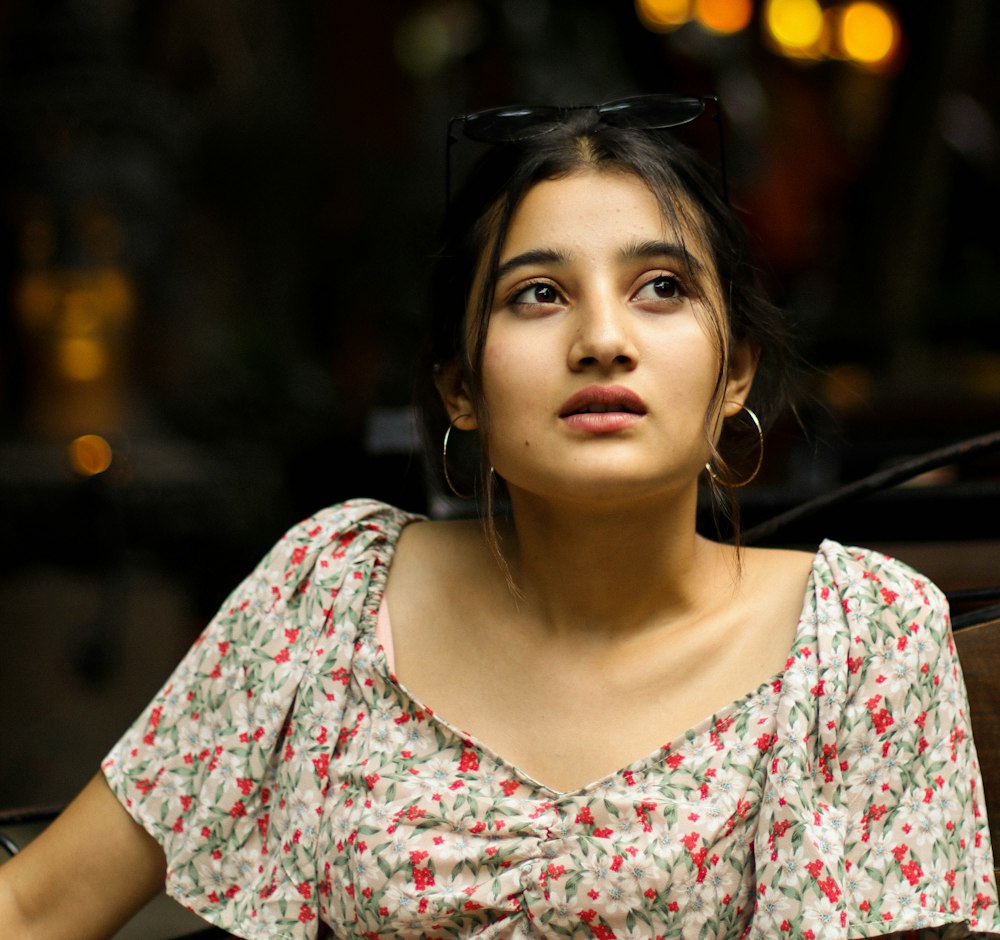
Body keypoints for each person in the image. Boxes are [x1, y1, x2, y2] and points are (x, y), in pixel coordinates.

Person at [1, 95, 996, 940]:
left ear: (734, 372)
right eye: (537, 295)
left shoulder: (861, 639)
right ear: (460, 388)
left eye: (660, 289)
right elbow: (39, 909)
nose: (602, 340)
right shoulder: (331, 594)